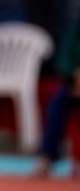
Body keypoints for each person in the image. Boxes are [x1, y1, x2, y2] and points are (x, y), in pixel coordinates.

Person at [33, 19, 80, 179]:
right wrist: (74, 79)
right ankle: (47, 156)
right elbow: (63, 64)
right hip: (74, 87)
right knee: (58, 100)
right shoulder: (74, 34)